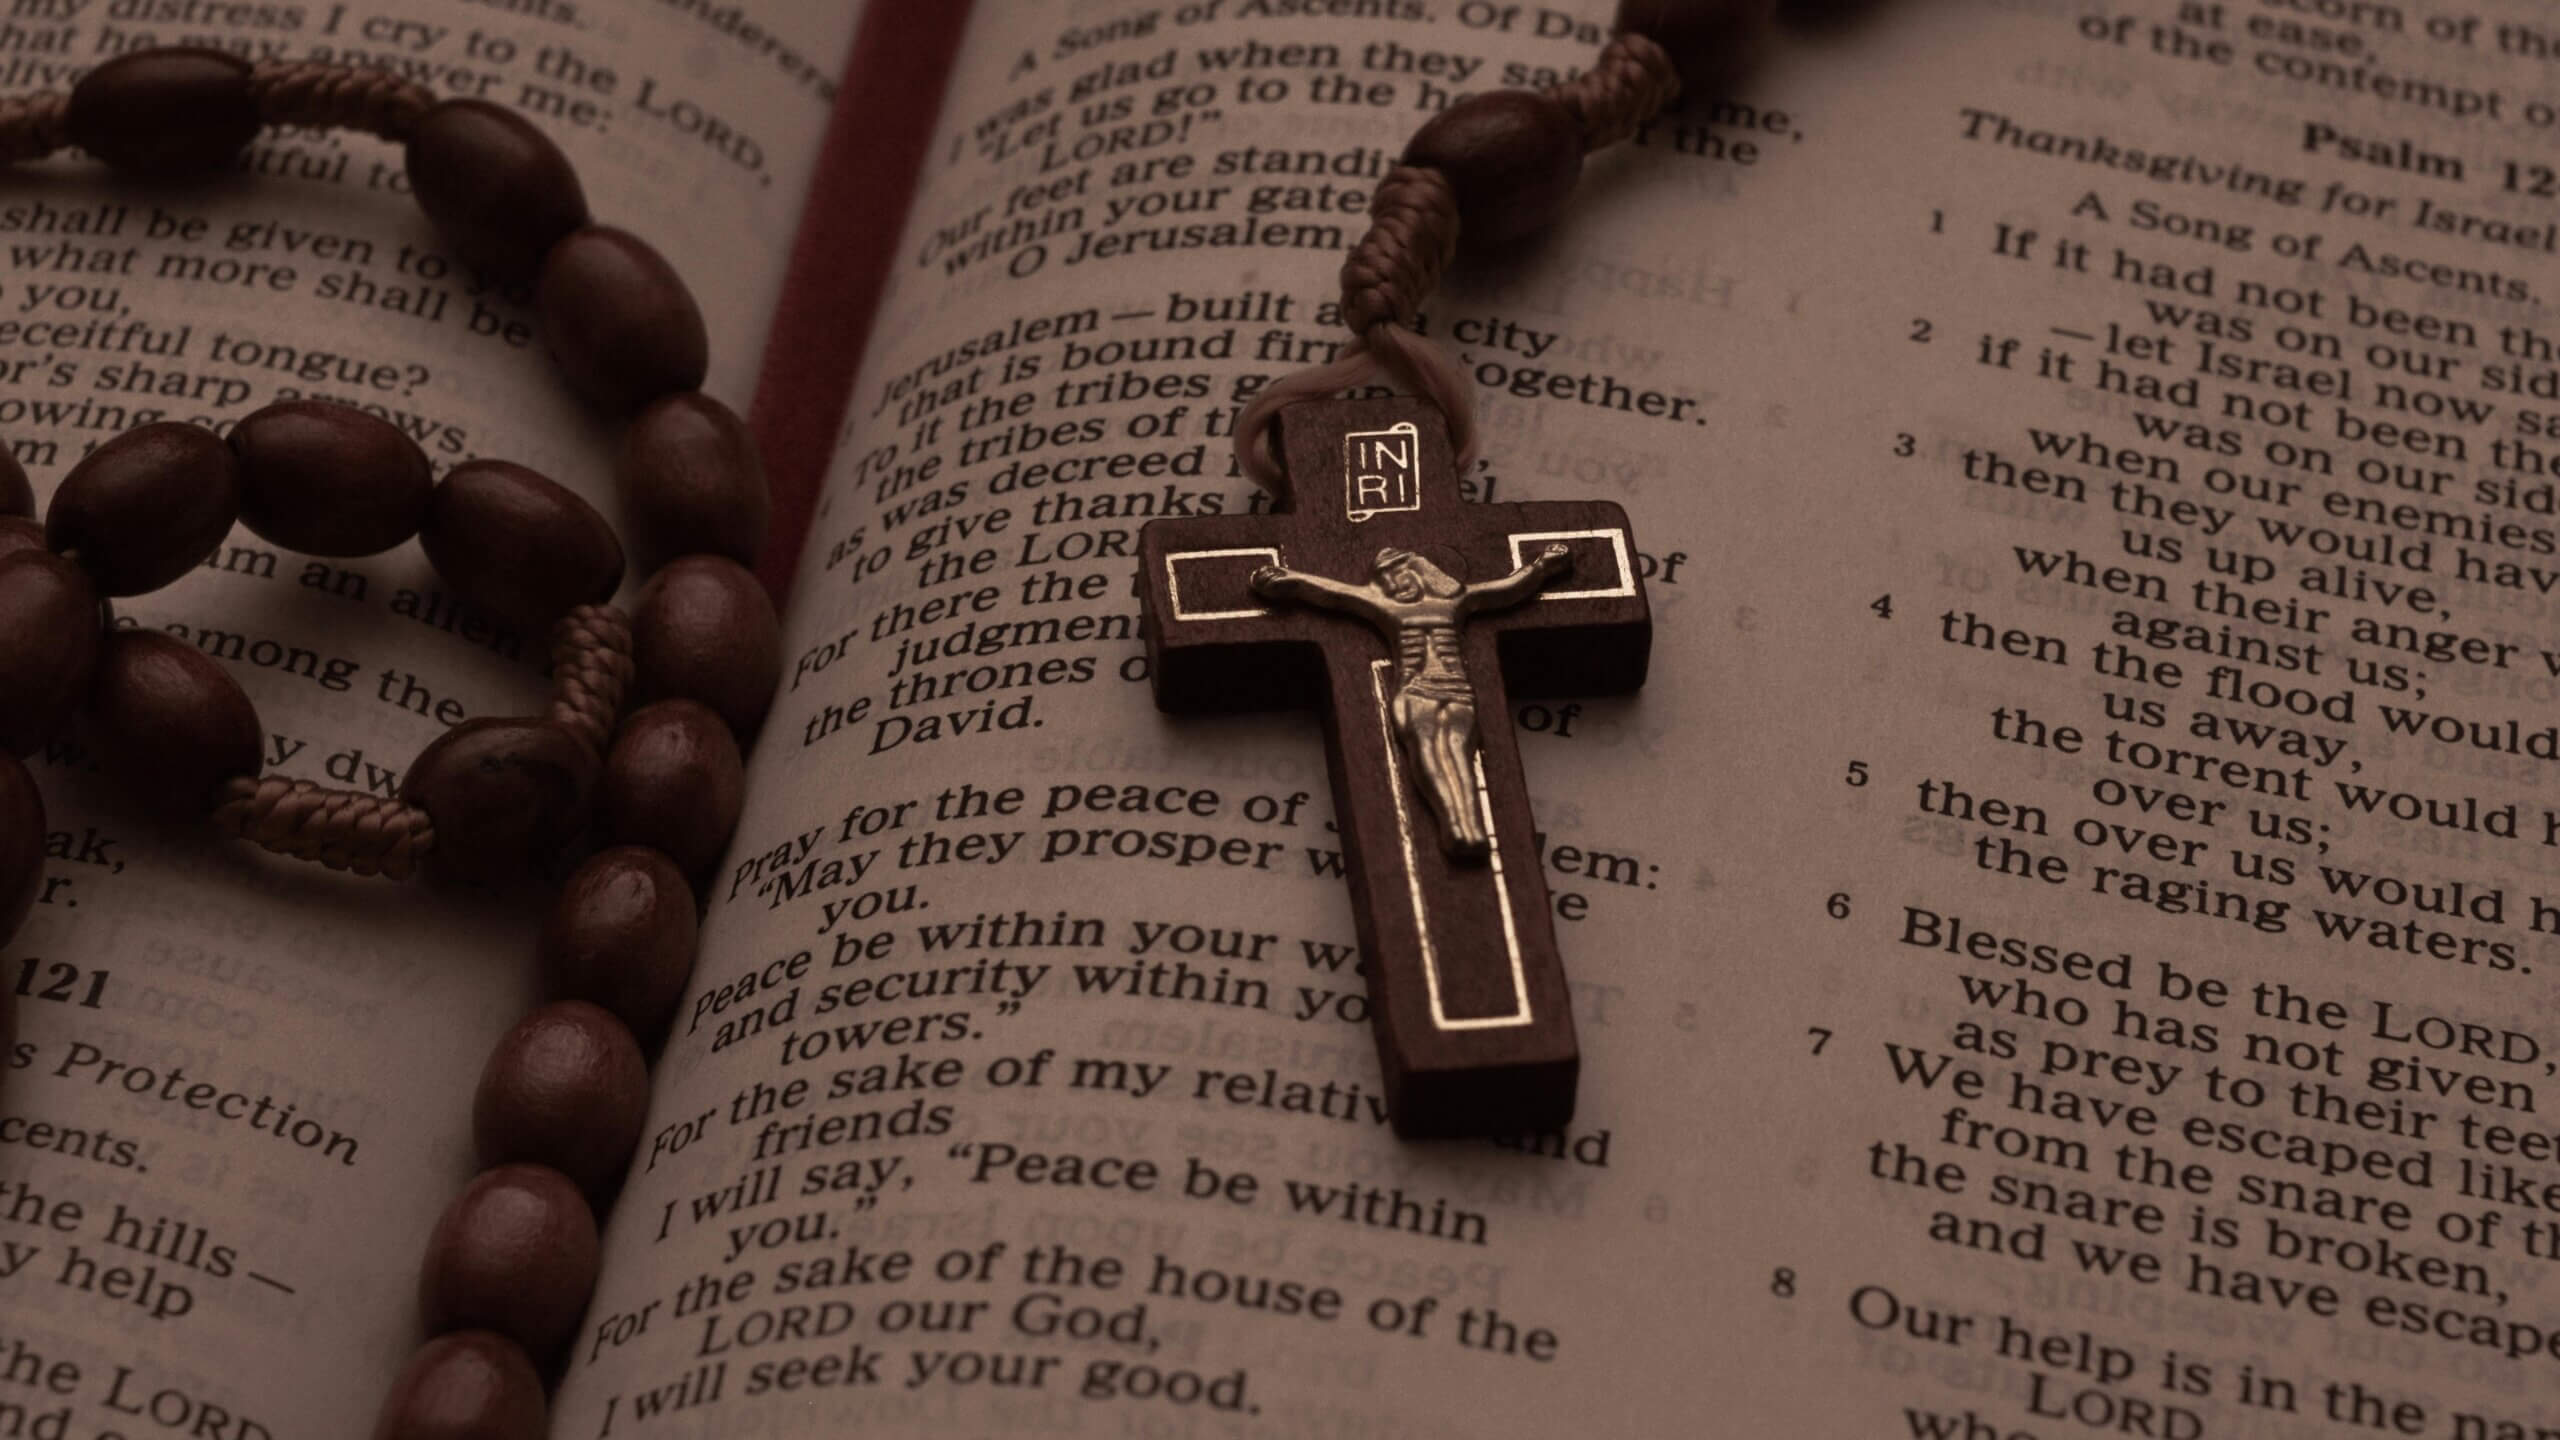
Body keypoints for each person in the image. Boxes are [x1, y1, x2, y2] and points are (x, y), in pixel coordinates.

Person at [1251, 543, 1571, 858]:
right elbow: (1336, 594)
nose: (1391, 583)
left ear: (1420, 572)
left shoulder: (1456, 600)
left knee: (1458, 754)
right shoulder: (1385, 604)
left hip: (1455, 688)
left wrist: (1542, 565)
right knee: (1429, 753)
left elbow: (1507, 588)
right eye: (1386, 579)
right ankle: (1453, 826)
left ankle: (1470, 825)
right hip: (1416, 690)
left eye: (1396, 574)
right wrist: (1293, 581)